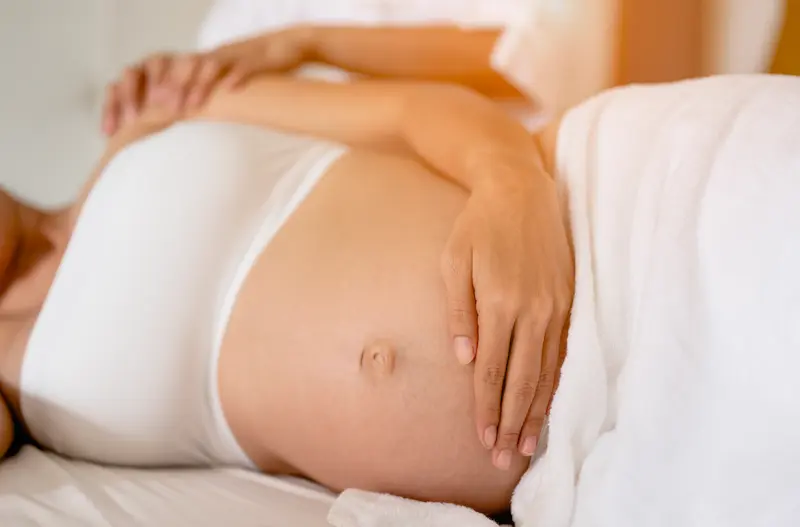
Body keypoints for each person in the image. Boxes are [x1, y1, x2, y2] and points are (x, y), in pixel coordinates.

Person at [0, 64, 573, 514]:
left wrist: (512, 185)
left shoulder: (148, 129)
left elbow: (409, 111)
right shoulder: (12, 377)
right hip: (570, 463)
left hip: (590, 238)